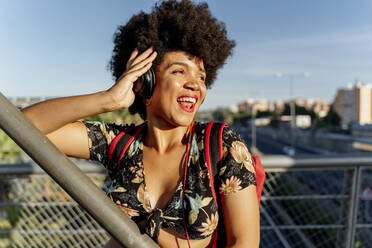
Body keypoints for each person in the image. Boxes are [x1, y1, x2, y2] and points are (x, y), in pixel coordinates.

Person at [22, 0, 260, 247]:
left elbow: (244, 242)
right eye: (179, 72)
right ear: (145, 81)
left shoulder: (219, 143)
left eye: (201, 76)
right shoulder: (120, 145)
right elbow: (26, 124)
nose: (195, 84)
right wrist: (109, 99)